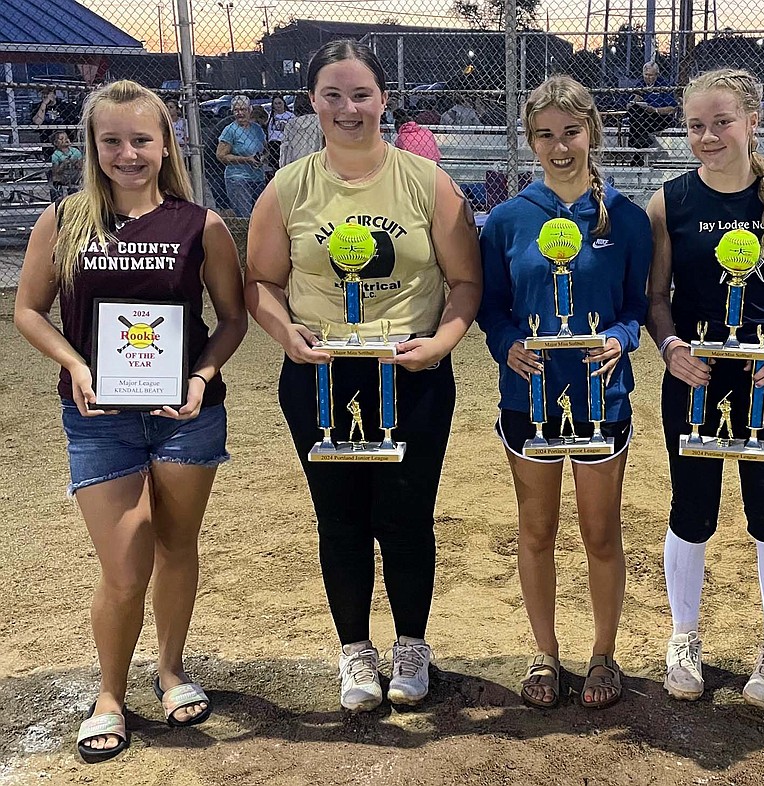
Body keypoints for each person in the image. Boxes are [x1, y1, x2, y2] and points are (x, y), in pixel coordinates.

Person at [13, 80, 247, 763]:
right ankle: (110, 694)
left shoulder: (199, 225)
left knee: (177, 547)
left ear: (165, 142)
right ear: (93, 146)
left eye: (141, 139)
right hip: (99, 418)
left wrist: (202, 377)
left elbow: (232, 319)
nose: (127, 153)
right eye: (111, 140)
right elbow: (28, 310)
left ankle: (171, 671)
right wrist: (76, 364)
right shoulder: (64, 222)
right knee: (124, 566)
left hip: (184, 416)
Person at [244, 40, 482, 712]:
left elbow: (466, 281)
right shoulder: (288, 187)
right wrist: (285, 334)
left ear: (383, 99)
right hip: (322, 375)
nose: (348, 108)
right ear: (312, 101)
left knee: (407, 517)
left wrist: (443, 340)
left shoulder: (425, 182)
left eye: (361, 95)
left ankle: (411, 646)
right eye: (332, 95)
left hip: (412, 373)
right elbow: (260, 280)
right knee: (340, 517)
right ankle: (355, 651)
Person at [645, 68, 764, 709]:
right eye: (696, 126)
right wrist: (669, 348)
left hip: (763, 378)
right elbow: (656, 297)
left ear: (752, 121)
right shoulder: (670, 201)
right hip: (693, 375)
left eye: (722, 122)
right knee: (692, 509)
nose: (708, 136)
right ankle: (683, 636)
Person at [477, 75, 651, 710]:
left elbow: (638, 307)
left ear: (592, 133)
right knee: (537, 528)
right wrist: (506, 345)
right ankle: (545, 652)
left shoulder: (626, 219)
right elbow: (491, 309)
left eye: (571, 133)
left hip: (602, 396)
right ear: (530, 139)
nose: (559, 147)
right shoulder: (507, 220)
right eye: (545, 135)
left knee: (601, 531)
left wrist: (622, 340)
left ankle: (604, 654)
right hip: (530, 399)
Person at [216, 95, 267, 218]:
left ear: (250, 111)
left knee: (260, 215)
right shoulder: (230, 130)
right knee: (245, 216)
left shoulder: (257, 129)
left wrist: (263, 158)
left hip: (258, 177)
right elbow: (221, 155)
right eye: (236, 110)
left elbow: (265, 150)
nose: (240, 113)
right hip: (238, 178)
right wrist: (246, 160)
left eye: (243, 109)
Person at [626, 61, 678, 149]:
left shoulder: (664, 85)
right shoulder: (640, 84)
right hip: (642, 119)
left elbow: (672, 108)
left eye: (651, 75)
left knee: (635, 130)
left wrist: (655, 110)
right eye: (646, 75)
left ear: (657, 75)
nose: (648, 77)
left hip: (659, 118)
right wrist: (635, 101)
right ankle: (642, 140)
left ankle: (635, 141)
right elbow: (628, 107)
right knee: (634, 109)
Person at [279, 94, 323, 167]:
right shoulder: (319, 122)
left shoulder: (290, 124)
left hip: (295, 164)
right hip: (315, 162)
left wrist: (283, 166)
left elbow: (284, 148)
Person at [49, 130, 83, 200]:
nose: (65, 140)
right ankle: (59, 195)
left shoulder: (75, 151)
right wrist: (63, 164)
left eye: (66, 138)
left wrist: (75, 163)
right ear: (56, 143)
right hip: (63, 177)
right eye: (61, 139)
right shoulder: (56, 155)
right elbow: (56, 171)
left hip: (75, 176)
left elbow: (80, 166)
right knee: (56, 179)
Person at [266, 94, 294, 169]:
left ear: (284, 103)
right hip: (273, 143)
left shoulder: (290, 115)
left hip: (285, 141)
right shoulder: (271, 116)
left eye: (279, 103)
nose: (278, 106)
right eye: (275, 104)